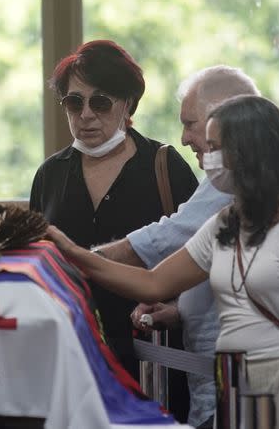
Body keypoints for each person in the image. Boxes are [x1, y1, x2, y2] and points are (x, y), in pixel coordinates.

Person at [49, 94, 279, 429]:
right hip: (233, 381)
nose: (205, 156)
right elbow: (154, 283)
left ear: (249, 152)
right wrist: (73, 253)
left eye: (216, 147)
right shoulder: (226, 222)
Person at [29, 40, 198, 420]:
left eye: (100, 102)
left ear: (127, 105)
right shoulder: (50, 175)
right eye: (75, 103)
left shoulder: (165, 166)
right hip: (74, 362)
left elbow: (204, 255)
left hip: (156, 361)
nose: (86, 115)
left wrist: (176, 308)